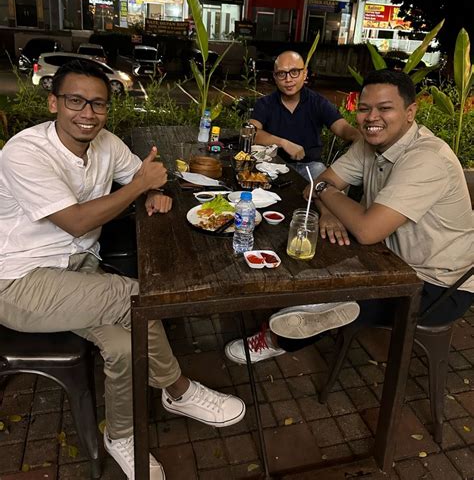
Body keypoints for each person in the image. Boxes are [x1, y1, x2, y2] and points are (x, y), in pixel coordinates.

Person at [0, 59, 245, 480]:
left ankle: (121, 435)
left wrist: (152, 192)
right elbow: (77, 221)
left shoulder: (106, 144)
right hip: (20, 282)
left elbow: (146, 176)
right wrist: (138, 188)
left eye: (98, 104)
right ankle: (178, 389)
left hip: (80, 271)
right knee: (140, 297)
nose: (88, 113)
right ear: (54, 103)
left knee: (124, 346)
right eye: (75, 101)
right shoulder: (25, 152)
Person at [226, 69, 473, 364]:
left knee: (329, 283)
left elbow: (365, 228)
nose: (371, 118)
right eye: (364, 108)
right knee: (308, 240)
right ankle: (321, 305)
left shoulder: (426, 158)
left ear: (410, 112)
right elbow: (314, 186)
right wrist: (328, 210)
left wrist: (324, 191)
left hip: (436, 285)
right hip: (386, 259)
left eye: (385, 108)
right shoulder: (369, 145)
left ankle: (282, 334)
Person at [249, 50, 360, 179]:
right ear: (275, 77)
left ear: (305, 73)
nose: (288, 79)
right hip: (273, 165)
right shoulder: (265, 103)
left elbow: (342, 128)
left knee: (326, 183)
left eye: (294, 72)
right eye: (281, 74)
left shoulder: (318, 102)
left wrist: (360, 137)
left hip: (311, 166)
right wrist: (283, 143)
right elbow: (251, 132)